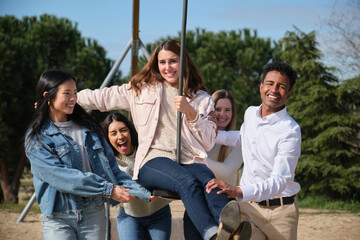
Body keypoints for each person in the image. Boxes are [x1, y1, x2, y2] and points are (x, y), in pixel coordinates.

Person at [77, 39, 242, 240]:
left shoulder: (201, 99)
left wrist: (191, 113)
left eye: (173, 61)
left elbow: (208, 141)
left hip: (188, 159)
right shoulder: (141, 89)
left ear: (184, 63)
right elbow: (100, 98)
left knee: (210, 181)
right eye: (162, 62)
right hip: (153, 161)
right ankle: (213, 236)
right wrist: (65, 98)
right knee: (188, 183)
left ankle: (231, 231)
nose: (167, 67)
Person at [24, 70, 154, 240]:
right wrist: (108, 189)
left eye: (75, 93)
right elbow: (61, 176)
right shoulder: (37, 137)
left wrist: (143, 191)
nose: (73, 98)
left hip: (94, 212)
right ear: (49, 96)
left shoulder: (89, 129)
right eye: (67, 93)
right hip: (58, 217)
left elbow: (112, 170)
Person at [207, 61, 301, 240]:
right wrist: (209, 133)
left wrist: (238, 191)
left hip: (280, 215)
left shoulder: (290, 131)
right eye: (270, 84)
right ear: (261, 87)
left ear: (288, 94)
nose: (274, 90)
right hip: (249, 208)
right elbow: (242, 138)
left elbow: (278, 182)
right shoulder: (250, 113)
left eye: (281, 87)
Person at [183, 89, 244, 240]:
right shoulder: (197, 136)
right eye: (218, 109)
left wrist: (197, 159)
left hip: (224, 205)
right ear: (210, 110)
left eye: (227, 110)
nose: (222, 114)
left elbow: (226, 172)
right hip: (197, 205)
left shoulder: (239, 141)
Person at [102, 113, 172, 240]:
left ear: (130, 131)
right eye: (114, 133)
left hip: (159, 213)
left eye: (123, 130)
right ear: (107, 138)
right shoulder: (108, 161)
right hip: (130, 215)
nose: (120, 136)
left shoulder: (147, 149)